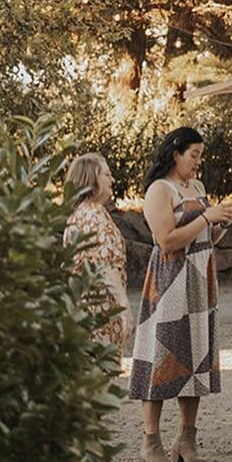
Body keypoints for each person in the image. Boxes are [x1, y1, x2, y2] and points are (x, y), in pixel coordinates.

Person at [127, 127, 232, 462]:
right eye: (194, 155)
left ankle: (186, 440)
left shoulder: (198, 188)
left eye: (200, 156)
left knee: (195, 357)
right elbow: (167, 240)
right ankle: (151, 443)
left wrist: (221, 224)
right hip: (170, 281)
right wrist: (206, 216)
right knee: (163, 356)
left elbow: (208, 237)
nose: (197, 163)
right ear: (176, 152)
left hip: (200, 279)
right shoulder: (160, 190)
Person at [63, 152, 133, 360]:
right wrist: (124, 308)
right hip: (98, 312)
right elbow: (104, 266)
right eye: (106, 175)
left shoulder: (80, 214)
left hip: (85, 310)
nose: (112, 180)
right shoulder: (93, 215)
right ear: (91, 178)